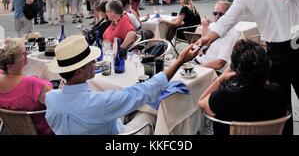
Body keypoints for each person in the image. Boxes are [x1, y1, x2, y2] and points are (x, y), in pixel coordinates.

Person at [196, 0, 299, 134]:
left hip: (296, 44)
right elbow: (227, 20)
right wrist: (207, 39)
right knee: (281, 103)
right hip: (274, 52)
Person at [45, 35, 199, 135]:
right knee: (149, 116)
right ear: (78, 73)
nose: (94, 63)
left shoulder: (51, 98)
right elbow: (145, 90)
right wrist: (179, 62)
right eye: (90, 61)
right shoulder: (101, 102)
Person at [198, 40, 288, 135]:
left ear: (235, 70)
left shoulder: (224, 95)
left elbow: (201, 102)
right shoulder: (277, 92)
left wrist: (220, 79)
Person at [0, 38, 53, 135]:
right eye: (23, 54)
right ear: (10, 61)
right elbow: (57, 103)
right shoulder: (31, 84)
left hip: (13, 130)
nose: (26, 56)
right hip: (43, 131)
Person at [195, 0, 239, 72]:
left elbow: (219, 64)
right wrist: (205, 27)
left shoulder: (231, 35)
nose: (217, 16)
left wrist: (197, 68)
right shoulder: (213, 26)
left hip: (212, 70)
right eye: (215, 13)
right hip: (199, 62)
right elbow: (203, 48)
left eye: (221, 14)